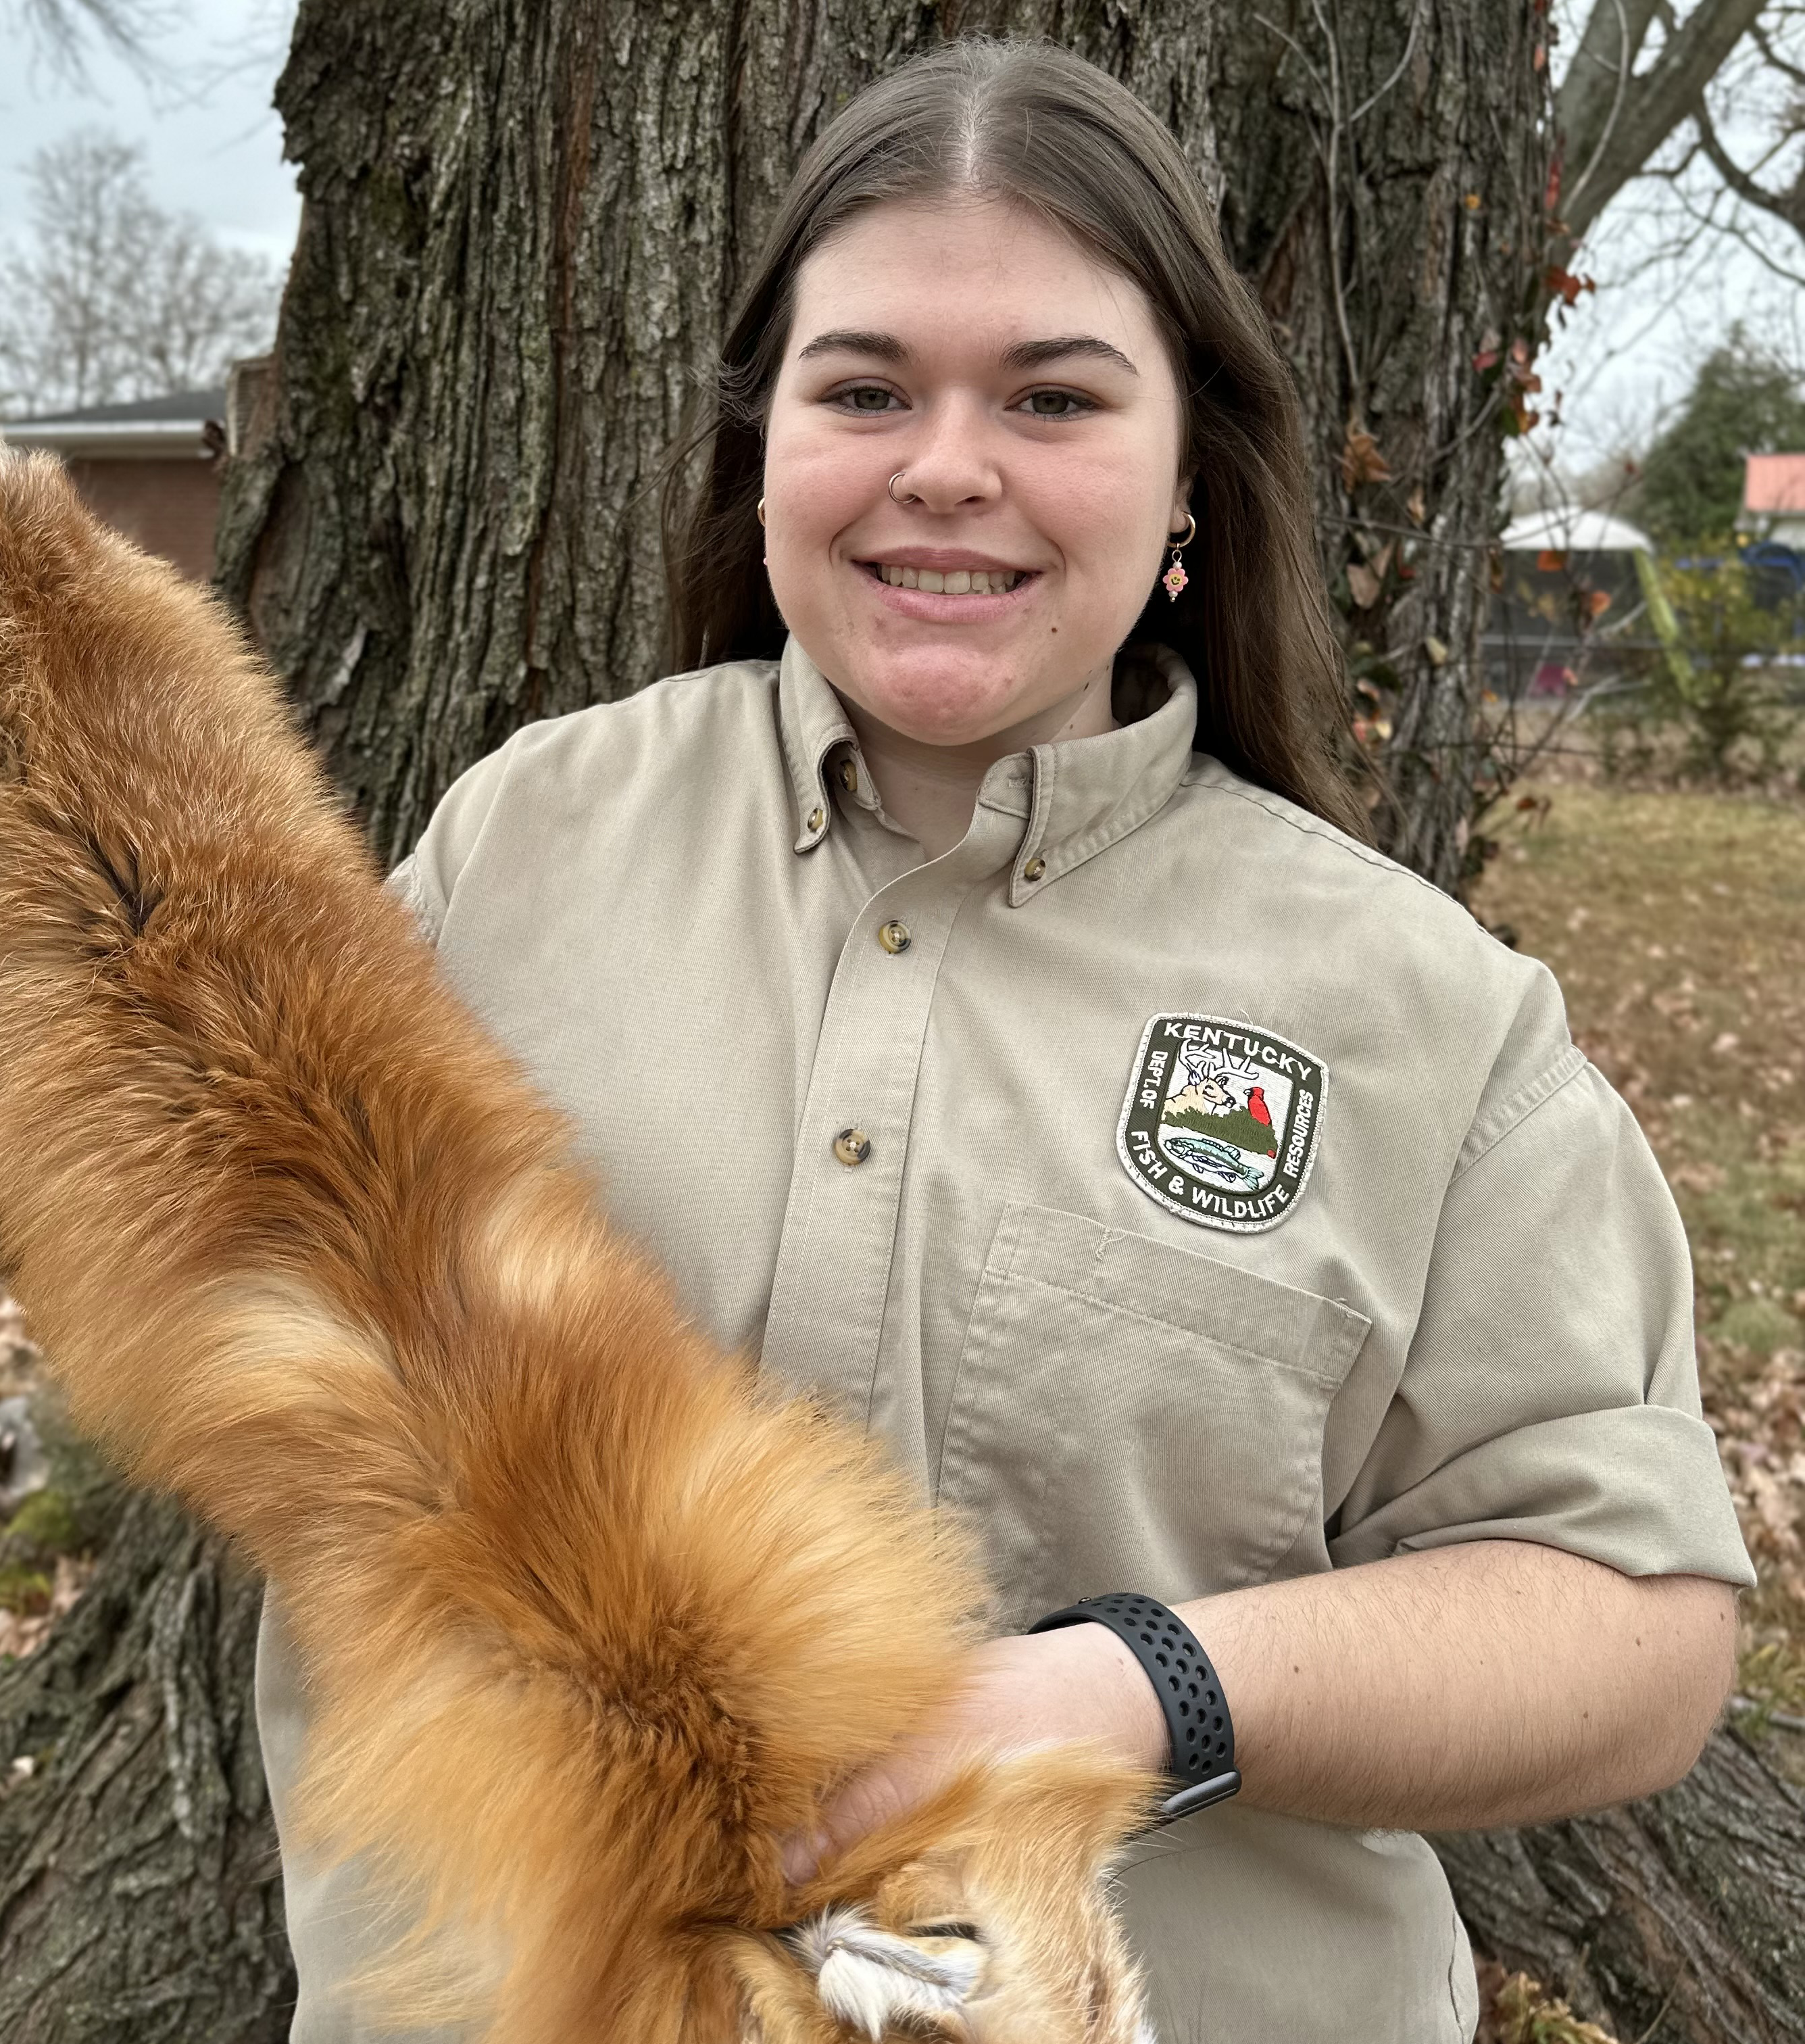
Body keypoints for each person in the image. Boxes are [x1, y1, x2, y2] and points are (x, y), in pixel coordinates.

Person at [254, 36, 1752, 2043]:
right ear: (764, 446)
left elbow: (1635, 1629)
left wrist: (1122, 1697)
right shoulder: (514, 849)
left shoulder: (1419, 1017)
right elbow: (199, 1252)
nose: (945, 465)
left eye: (1052, 397)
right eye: (864, 388)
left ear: (1192, 478)